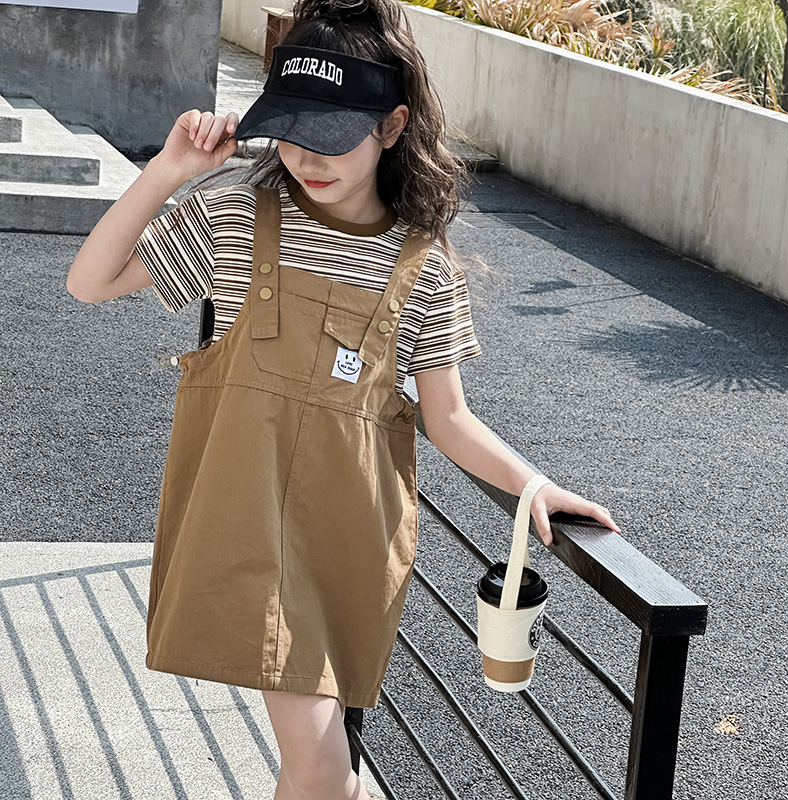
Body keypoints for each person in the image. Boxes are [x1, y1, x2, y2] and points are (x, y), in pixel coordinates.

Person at [66, 0, 620, 797]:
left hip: (348, 544)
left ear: (393, 126)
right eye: (290, 131)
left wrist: (533, 486)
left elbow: (448, 418)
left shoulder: (424, 265)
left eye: (331, 137)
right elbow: (90, 283)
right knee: (326, 769)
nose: (305, 157)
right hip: (244, 526)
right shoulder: (234, 214)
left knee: (321, 775)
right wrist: (168, 171)